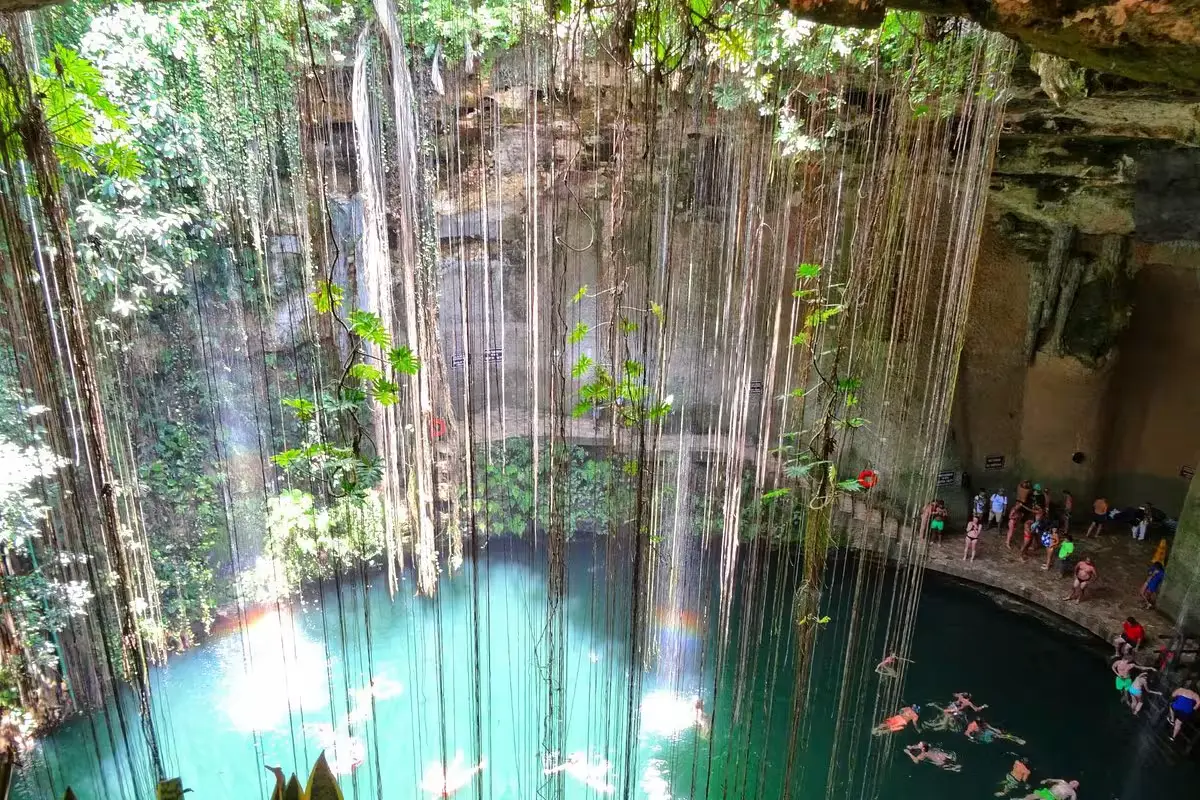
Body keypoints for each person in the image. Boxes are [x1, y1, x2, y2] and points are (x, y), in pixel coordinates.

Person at [420, 752, 487, 796]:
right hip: (450, 784)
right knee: (462, 775)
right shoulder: (442, 785)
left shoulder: (439, 783)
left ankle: (478, 766)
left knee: (461, 774)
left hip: (449, 784)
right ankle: (479, 766)